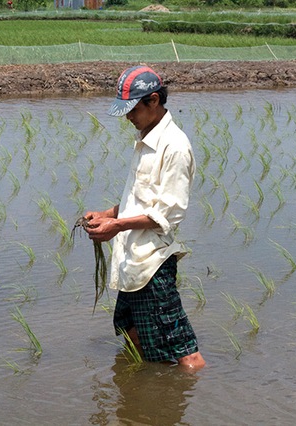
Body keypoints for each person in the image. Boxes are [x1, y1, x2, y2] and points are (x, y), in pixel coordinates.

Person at [84, 65, 206, 370]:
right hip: (132, 262)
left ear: (153, 100)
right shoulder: (145, 139)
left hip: (152, 264)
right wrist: (107, 214)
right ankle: (143, 394)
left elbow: (168, 213)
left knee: (184, 351)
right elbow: (140, 199)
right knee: (131, 331)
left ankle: (192, 396)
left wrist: (117, 225)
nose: (128, 117)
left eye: (133, 109)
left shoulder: (175, 147)